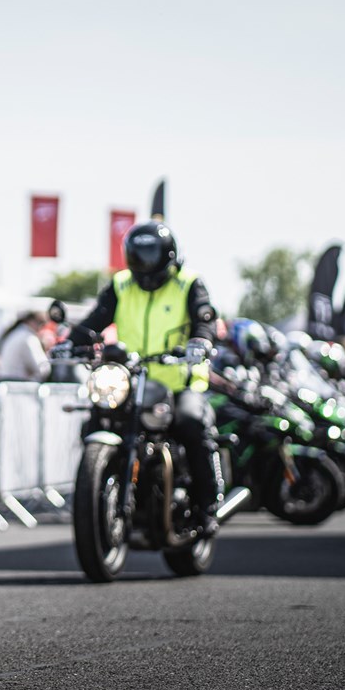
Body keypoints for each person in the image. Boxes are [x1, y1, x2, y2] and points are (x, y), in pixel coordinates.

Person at [66, 221, 223, 530]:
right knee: (98, 418)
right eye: (139, 255)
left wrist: (201, 341)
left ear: (168, 255)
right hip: (132, 379)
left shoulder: (188, 283)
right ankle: (96, 495)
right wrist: (69, 343)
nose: (145, 262)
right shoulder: (121, 284)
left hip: (179, 381)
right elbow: (95, 320)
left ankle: (207, 504)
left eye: (151, 254)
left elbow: (204, 317)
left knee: (191, 422)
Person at [0, 310, 50, 382]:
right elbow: (42, 368)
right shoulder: (28, 338)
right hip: (17, 383)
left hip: (5, 382)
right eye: (41, 323)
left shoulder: (15, 333)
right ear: (31, 321)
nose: (41, 327)